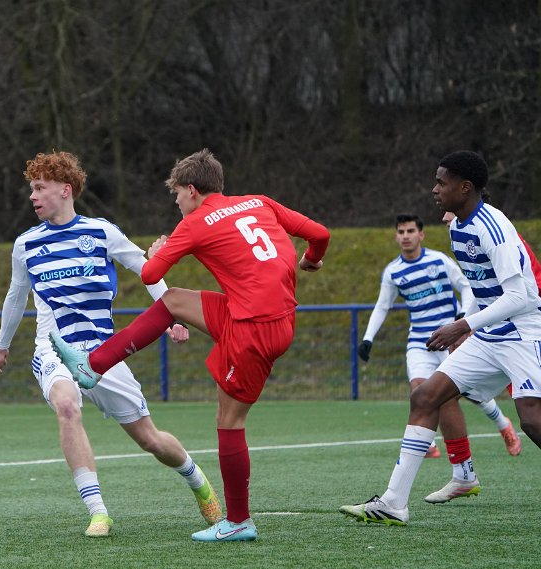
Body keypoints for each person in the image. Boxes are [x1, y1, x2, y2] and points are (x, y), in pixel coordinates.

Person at [51, 149, 331, 542]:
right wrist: (311, 260)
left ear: (193, 190)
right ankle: (93, 365)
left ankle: (239, 521)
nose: (177, 202)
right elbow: (320, 234)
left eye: (178, 194)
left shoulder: (196, 221)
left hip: (253, 330)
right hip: (268, 316)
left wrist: (156, 253)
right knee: (174, 301)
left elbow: (150, 272)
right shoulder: (259, 202)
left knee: (229, 422)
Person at [0, 150, 223, 538]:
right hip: (54, 349)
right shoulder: (26, 245)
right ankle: (98, 512)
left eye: (40, 188)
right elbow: (16, 296)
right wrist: (2, 347)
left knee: (150, 440)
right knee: (66, 406)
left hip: (103, 354)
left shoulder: (101, 233)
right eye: (32, 189)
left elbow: (147, 270)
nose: (33, 196)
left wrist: (172, 317)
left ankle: (198, 482)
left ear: (65, 190)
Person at [340, 151, 541, 526]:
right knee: (425, 396)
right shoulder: (458, 227)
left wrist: (463, 326)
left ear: (464, 188)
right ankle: (393, 503)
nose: (434, 189)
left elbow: (520, 297)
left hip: (522, 331)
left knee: (531, 420)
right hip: (489, 334)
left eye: (441, 182)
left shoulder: (493, 228)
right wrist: (468, 323)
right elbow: (481, 289)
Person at [357, 215, 520, 458]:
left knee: (469, 392)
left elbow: (466, 286)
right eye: (401, 232)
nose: (406, 236)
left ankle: (503, 424)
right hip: (419, 342)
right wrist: (368, 338)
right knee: (419, 389)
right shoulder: (393, 272)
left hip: (449, 339)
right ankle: (428, 443)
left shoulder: (439, 260)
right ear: (396, 237)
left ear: (421, 234)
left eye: (410, 231)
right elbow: (382, 307)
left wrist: (462, 319)